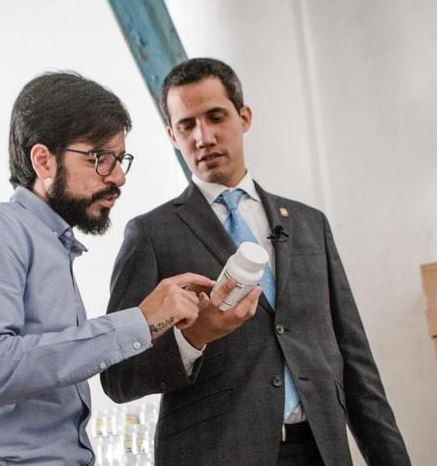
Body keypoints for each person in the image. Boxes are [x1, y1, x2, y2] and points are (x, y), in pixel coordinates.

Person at [100, 58, 411, 466]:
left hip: (320, 451)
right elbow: (118, 377)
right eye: (187, 125)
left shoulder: (308, 224)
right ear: (172, 136)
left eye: (215, 117)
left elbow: (355, 363)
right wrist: (192, 340)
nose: (204, 136)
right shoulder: (151, 235)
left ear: (243, 117)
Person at [0, 72, 220, 466]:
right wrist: (140, 321)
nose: (118, 177)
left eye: (120, 159)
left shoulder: (56, 248)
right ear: (43, 160)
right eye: (100, 158)